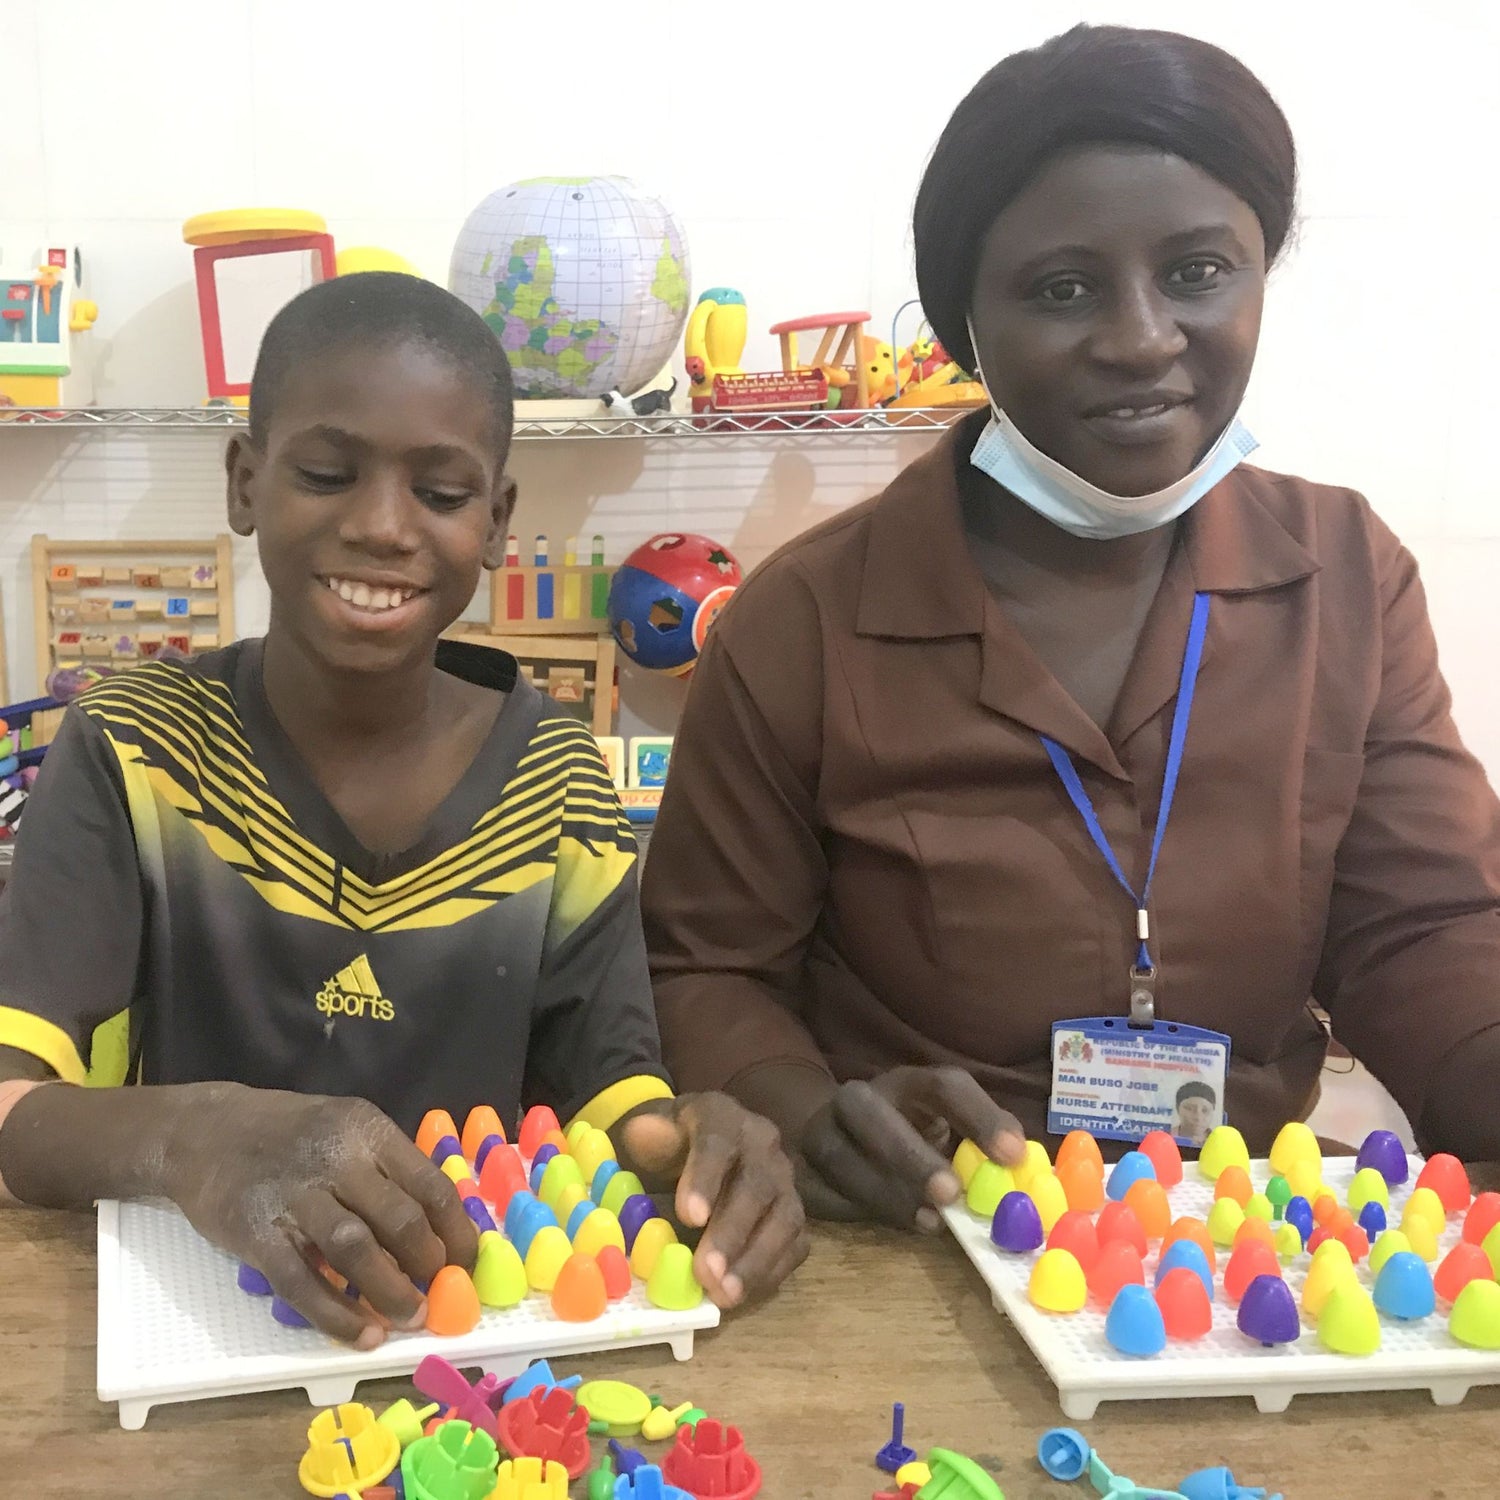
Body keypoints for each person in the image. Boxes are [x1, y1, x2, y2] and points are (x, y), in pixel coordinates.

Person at [642, 24, 1500, 1233]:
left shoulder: (1347, 579)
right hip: (917, 1236)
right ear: (963, 328)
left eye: (1201, 272)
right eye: (1063, 289)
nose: (1144, 338)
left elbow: (1426, 928)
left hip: (1230, 1253)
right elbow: (705, 966)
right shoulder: (807, 618)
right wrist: (809, 1111)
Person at [0, 274, 806, 1341]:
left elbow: (617, 1106)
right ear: (245, 483)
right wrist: (194, 1137)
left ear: (496, 520)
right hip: (198, 1323)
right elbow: (14, 1105)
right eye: (328, 473)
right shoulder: (135, 746)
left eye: (440, 493)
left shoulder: (560, 785)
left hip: (459, 1336)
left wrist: (699, 1150)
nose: (383, 527)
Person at [1174, 1082, 1217, 1148]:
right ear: (1177, 1108)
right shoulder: (1164, 1139)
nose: (1198, 1117)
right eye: (1189, 1109)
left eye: (1205, 1110)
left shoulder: (1220, 1144)